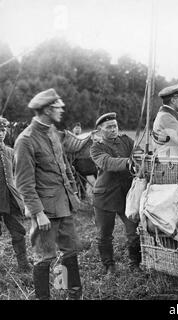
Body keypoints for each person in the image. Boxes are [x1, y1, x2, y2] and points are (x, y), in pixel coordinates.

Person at [14, 88, 82, 300]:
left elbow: (64, 166)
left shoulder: (52, 131)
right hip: (45, 211)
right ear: (46, 110)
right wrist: (38, 213)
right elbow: (24, 183)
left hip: (64, 205)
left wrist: (73, 191)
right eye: (58, 108)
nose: (62, 111)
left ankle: (74, 295)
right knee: (44, 258)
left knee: (70, 253)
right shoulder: (26, 140)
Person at [90, 112, 144, 275]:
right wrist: (129, 162)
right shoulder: (96, 148)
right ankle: (109, 266)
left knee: (133, 232)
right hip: (104, 197)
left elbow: (139, 152)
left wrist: (141, 157)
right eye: (109, 127)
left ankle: (135, 264)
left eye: (115, 126)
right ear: (100, 130)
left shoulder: (126, 141)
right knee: (104, 235)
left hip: (127, 196)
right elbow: (107, 162)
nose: (113, 129)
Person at [0, 116, 31, 273]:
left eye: (3, 130)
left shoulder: (10, 152)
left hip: (11, 198)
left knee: (18, 232)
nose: (1, 133)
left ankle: (23, 264)